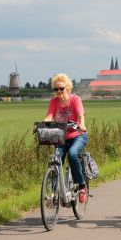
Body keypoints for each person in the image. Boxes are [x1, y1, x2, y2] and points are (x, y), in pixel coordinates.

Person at [44, 73, 88, 203]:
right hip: (60, 136)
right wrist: (42, 125)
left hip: (78, 135)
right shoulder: (53, 102)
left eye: (61, 88)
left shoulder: (75, 100)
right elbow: (49, 116)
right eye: (55, 89)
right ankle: (55, 192)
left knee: (73, 154)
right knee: (56, 160)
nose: (58, 91)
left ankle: (81, 187)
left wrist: (82, 125)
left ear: (67, 88)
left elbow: (80, 116)